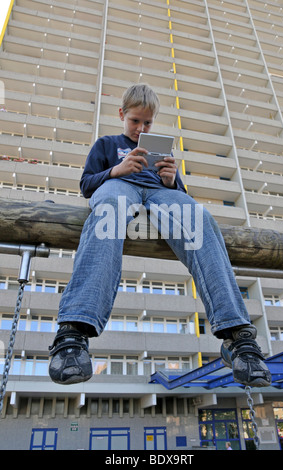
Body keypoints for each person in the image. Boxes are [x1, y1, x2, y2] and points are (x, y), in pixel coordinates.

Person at [48, 83, 271, 388]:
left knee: (200, 217)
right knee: (108, 211)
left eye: (148, 123)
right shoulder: (106, 144)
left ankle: (237, 337)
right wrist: (117, 170)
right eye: (135, 121)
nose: (141, 128)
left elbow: (180, 195)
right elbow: (87, 184)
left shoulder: (161, 150)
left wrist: (171, 179)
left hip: (158, 191)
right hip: (119, 185)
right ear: (122, 115)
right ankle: (73, 331)